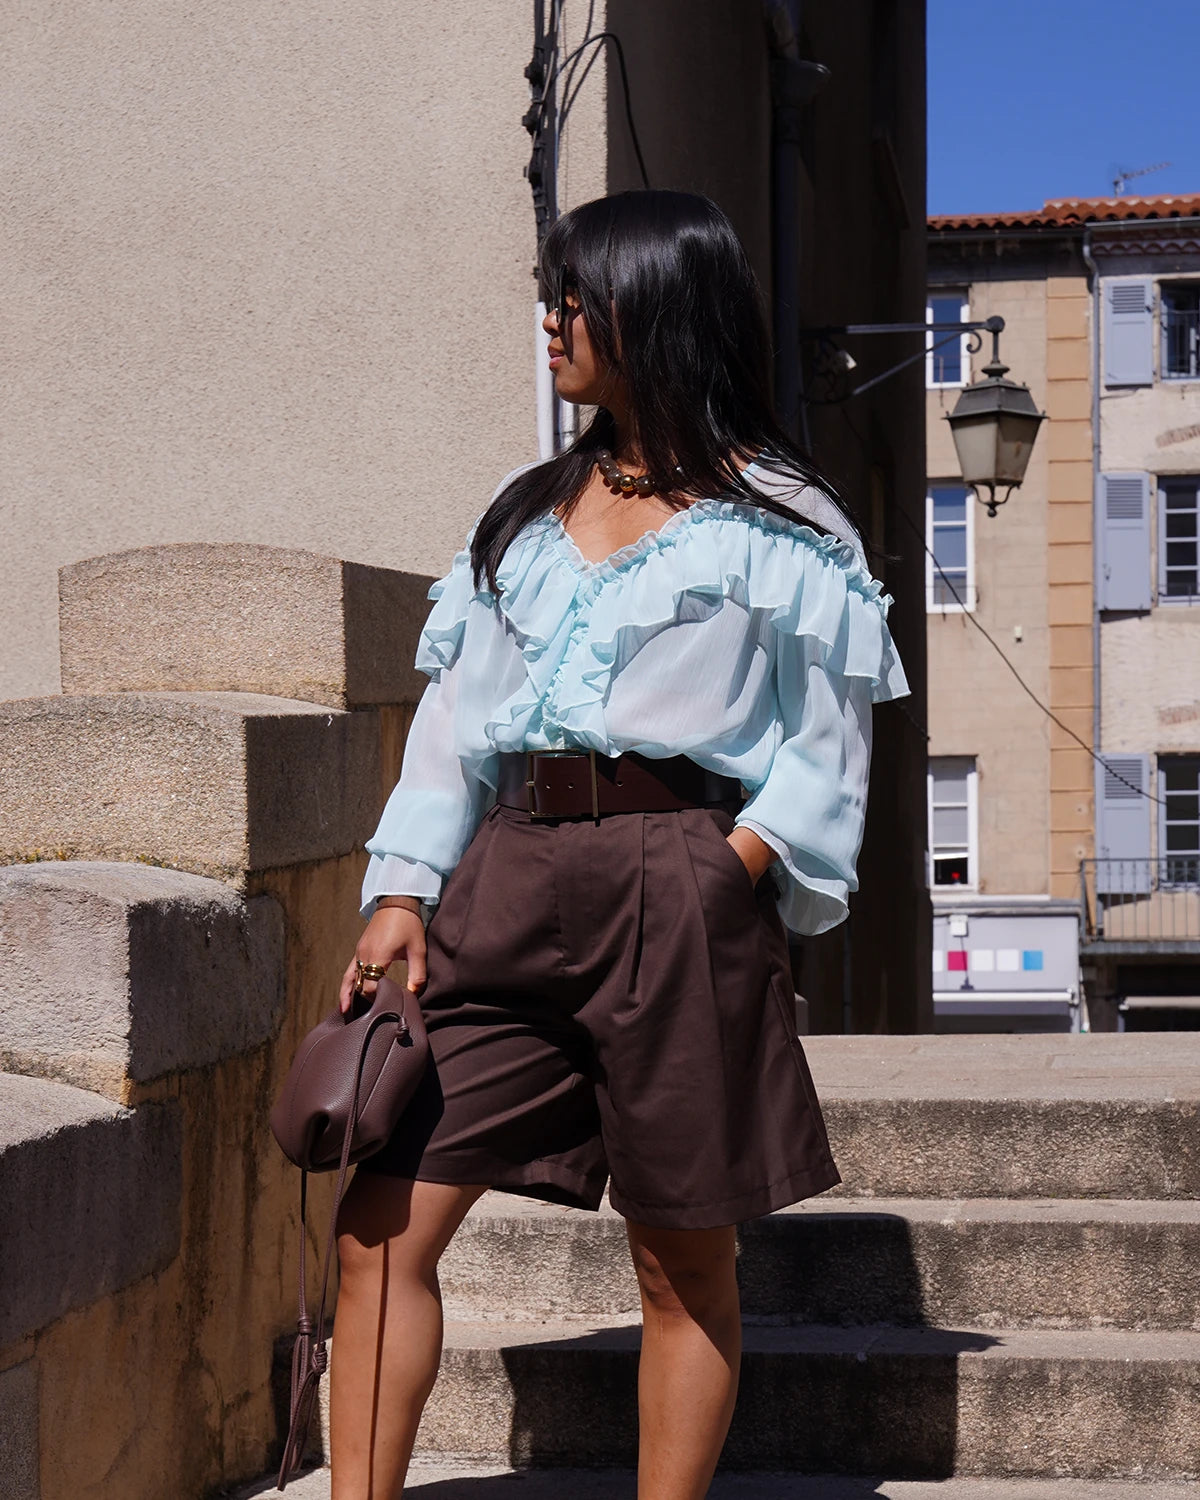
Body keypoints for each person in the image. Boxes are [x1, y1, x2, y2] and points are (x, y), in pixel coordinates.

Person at [329, 189, 910, 1499]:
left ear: (656, 306)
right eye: (554, 291)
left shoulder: (788, 518)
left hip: (679, 878)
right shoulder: (526, 508)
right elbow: (454, 720)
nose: (554, 318)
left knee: (681, 1262)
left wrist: (727, 870)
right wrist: (404, 889)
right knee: (378, 1220)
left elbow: (825, 755)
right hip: (512, 871)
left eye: (577, 295)